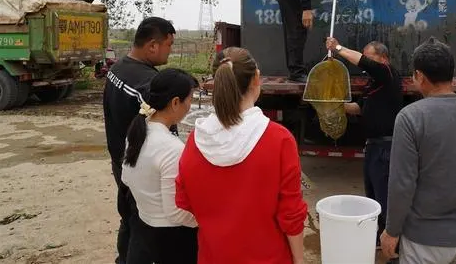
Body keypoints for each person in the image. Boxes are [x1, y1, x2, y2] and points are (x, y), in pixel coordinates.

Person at [175, 47, 308, 264]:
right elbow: (291, 215)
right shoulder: (279, 139)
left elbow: (184, 201)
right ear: (257, 78)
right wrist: (299, 260)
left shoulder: (195, 141)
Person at [381, 37, 456, 264]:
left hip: (424, 242)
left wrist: (392, 230)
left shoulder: (411, 117)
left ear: (419, 76)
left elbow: (402, 184)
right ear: (452, 73)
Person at [103, 16, 176, 264]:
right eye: (169, 45)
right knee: (144, 226)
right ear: (153, 45)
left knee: (129, 218)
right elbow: (164, 134)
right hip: (140, 168)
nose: (170, 51)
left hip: (121, 162)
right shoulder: (146, 84)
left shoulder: (118, 69)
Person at [326, 37, 403, 250]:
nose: (365, 63)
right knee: (373, 196)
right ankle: (379, 238)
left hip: (386, 148)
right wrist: (333, 105)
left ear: (383, 59)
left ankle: (393, 245)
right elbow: (358, 108)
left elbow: (364, 63)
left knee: (384, 196)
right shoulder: (373, 84)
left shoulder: (389, 75)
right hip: (372, 147)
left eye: (370, 57)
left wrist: (338, 48)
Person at [121, 68, 199, 264]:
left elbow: (126, 178)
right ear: (175, 102)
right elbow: (175, 212)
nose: (190, 106)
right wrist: (203, 221)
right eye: (189, 99)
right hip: (171, 237)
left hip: (145, 225)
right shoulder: (172, 148)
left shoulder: (137, 131)